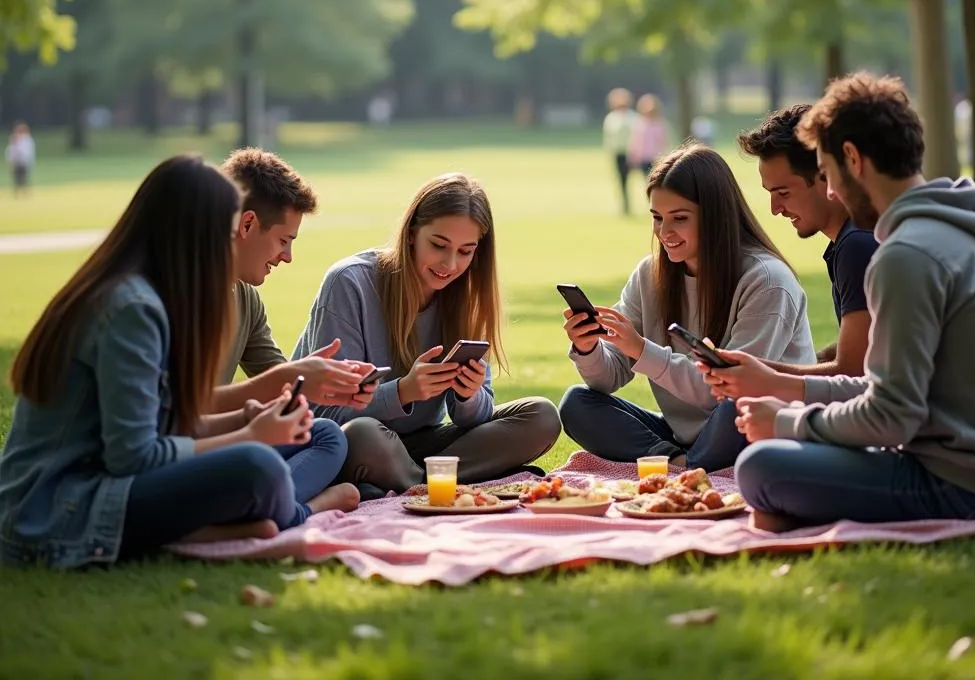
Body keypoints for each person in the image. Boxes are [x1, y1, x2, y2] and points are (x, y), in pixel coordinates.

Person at [0, 155, 356, 569]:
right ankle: (294, 515)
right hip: (58, 513)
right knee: (256, 466)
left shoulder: (146, 297)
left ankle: (238, 522)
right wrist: (250, 436)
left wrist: (250, 420)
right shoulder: (131, 309)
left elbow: (163, 423)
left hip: (109, 484)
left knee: (322, 435)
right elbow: (133, 458)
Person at [734, 73, 975, 531]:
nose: (830, 192)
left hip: (967, 485)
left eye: (828, 174)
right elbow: (885, 388)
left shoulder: (908, 255)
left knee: (760, 466)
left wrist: (789, 424)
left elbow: (890, 418)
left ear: (853, 157)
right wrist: (786, 398)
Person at [292, 173, 562, 494]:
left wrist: (468, 394)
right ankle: (435, 485)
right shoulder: (350, 283)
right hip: (344, 441)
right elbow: (326, 415)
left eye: (466, 251)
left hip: (423, 446)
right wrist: (403, 391)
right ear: (411, 234)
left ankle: (409, 483)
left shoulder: (466, 294)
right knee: (363, 435)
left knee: (542, 416)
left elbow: (474, 418)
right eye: (438, 245)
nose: (449, 264)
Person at [558, 142, 815, 472]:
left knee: (737, 405)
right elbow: (607, 380)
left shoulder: (767, 281)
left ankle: (681, 465)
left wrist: (641, 349)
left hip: (754, 426)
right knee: (577, 404)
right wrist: (589, 349)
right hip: (686, 437)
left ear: (715, 216)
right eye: (657, 218)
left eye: (679, 218)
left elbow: (725, 391)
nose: (665, 233)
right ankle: (681, 464)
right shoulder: (648, 276)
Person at [209, 147, 373, 511]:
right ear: (247, 225)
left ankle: (270, 502)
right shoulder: (181, 295)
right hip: (185, 445)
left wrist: (328, 383)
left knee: (326, 436)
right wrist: (294, 377)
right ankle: (302, 510)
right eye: (285, 240)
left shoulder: (245, 299)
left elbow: (278, 385)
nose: (287, 257)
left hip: (227, 437)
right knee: (314, 445)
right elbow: (176, 412)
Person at [697, 106, 878, 403]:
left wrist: (763, 376)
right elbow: (864, 348)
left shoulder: (858, 244)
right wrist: (793, 364)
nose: (774, 209)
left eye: (783, 192)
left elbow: (854, 372)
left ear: (824, 176)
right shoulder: (855, 238)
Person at [603, 88, 637, 214]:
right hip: (619, 154)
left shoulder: (632, 117)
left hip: (632, 153)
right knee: (622, 180)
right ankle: (626, 206)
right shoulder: (611, 118)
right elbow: (609, 138)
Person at [629, 93, 670, 176]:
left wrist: (663, 155)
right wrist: (633, 156)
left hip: (656, 157)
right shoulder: (639, 123)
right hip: (643, 157)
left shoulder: (659, 124)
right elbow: (635, 141)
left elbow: (663, 141)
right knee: (646, 177)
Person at [5, 121, 35, 196]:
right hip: (16, 161)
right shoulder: (14, 139)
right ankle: (17, 192)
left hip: (23, 161)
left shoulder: (27, 139)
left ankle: (24, 192)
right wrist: (11, 159)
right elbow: (11, 150)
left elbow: (28, 151)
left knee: (23, 177)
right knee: (16, 177)